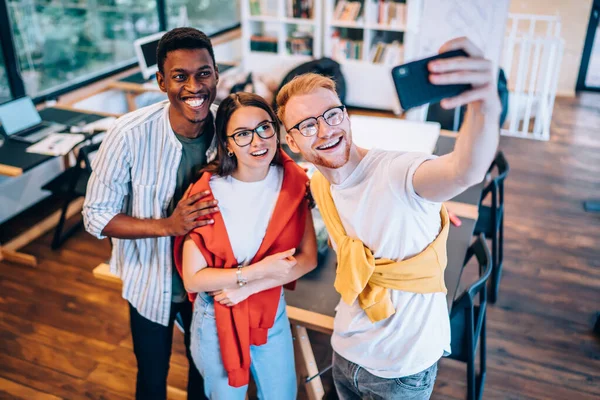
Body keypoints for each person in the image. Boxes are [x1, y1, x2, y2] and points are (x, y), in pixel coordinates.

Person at [276, 37, 500, 399]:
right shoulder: (320, 185)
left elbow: (465, 170)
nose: (325, 131)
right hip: (345, 351)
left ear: (346, 115)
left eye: (331, 115)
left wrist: (485, 104)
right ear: (292, 141)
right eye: (306, 126)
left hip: (402, 370)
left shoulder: (398, 172)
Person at [83, 27, 223, 400]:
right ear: (162, 81)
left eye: (203, 73)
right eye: (180, 76)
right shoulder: (128, 134)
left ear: (216, 74)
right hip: (151, 283)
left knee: (206, 374)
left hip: (210, 287)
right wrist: (168, 225)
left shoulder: (230, 127)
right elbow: (96, 215)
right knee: (151, 378)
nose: (195, 86)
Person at [173, 92, 318, 399]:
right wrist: (256, 272)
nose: (257, 142)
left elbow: (308, 259)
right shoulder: (206, 194)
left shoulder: (294, 182)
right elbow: (193, 277)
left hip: (270, 310)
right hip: (217, 316)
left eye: (264, 127)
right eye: (242, 134)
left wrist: (250, 286)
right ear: (226, 143)